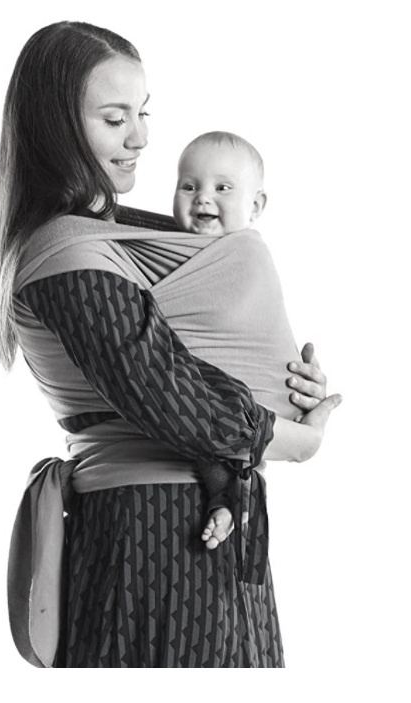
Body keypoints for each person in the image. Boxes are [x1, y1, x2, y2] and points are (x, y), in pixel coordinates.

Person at [0, 21, 341, 668]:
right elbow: (173, 397)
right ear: (57, 126)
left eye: (143, 114)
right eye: (115, 117)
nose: (142, 138)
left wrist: (287, 377)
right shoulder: (67, 255)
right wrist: (302, 437)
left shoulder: (113, 235)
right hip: (150, 537)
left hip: (209, 523)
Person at [171, 131, 303, 550]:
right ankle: (226, 503)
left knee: (217, 436)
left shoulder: (247, 254)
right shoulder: (166, 251)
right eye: (188, 186)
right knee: (208, 442)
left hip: (253, 408)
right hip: (207, 412)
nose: (203, 198)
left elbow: (262, 326)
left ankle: (229, 499)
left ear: (256, 205)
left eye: (222, 188)